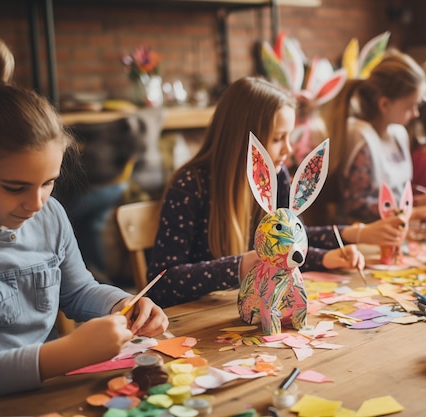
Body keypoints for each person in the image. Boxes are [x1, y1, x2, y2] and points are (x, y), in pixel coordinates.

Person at [0, 82, 169, 403]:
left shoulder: (50, 214)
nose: (36, 203)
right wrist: (69, 353)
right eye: (14, 187)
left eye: (48, 182)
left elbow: (78, 291)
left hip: (52, 394)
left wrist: (123, 305)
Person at [148, 76, 407, 308]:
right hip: (201, 322)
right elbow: (160, 282)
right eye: (277, 138)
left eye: (289, 137)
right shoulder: (190, 186)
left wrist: (328, 256)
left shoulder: (277, 175)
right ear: (244, 139)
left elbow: (291, 241)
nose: (289, 150)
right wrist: (239, 266)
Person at [319, 48, 426, 226]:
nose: (416, 114)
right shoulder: (361, 138)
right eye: (410, 106)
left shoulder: (398, 133)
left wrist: (421, 200)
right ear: (385, 104)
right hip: (363, 236)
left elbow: (396, 191)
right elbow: (358, 205)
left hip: (395, 228)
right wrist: (413, 210)